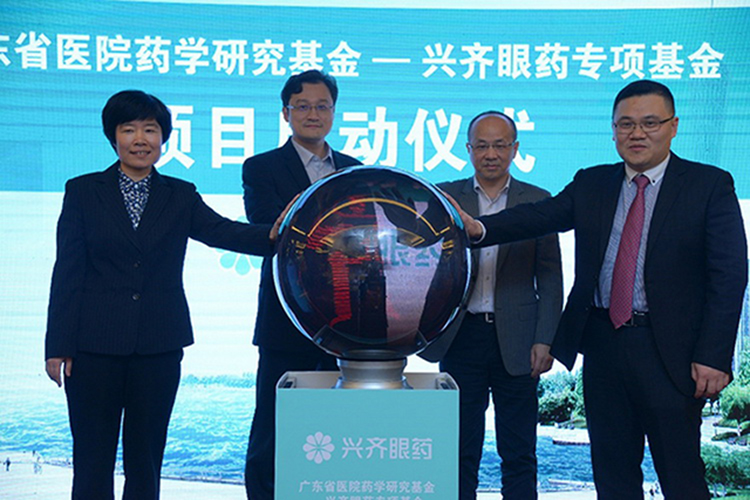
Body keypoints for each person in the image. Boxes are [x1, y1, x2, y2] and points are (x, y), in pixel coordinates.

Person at [451, 80, 747, 499]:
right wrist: (481, 228)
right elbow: (538, 217)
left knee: (680, 475)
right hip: (604, 346)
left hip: (670, 353)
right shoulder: (593, 183)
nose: (637, 133)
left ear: (673, 126)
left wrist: (713, 355)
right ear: (613, 130)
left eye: (649, 123)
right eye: (626, 124)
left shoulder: (708, 185)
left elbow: (729, 275)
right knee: (612, 475)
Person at [45, 90, 284, 500]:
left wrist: (278, 235)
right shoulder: (83, 191)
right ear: (113, 137)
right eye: (129, 129)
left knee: (146, 460)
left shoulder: (180, 193)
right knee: (92, 461)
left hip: (158, 345)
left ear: (164, 138)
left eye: (150, 130)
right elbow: (67, 272)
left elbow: (222, 231)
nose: (141, 139)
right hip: (92, 347)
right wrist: (58, 346)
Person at [420, 111, 562, 499]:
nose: (491, 154)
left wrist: (545, 339)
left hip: (519, 340)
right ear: (468, 150)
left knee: (519, 451)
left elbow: (550, 278)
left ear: (515, 149)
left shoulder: (538, 200)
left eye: (500, 145)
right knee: (458, 449)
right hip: (461, 336)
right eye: (482, 145)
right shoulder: (444, 198)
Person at [241, 69, 361, 499]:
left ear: (334, 111)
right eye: (303, 106)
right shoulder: (261, 168)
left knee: (333, 428)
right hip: (286, 316)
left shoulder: (354, 170)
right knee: (273, 426)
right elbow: (269, 229)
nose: (314, 114)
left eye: (322, 106)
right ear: (286, 113)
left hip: (347, 321)